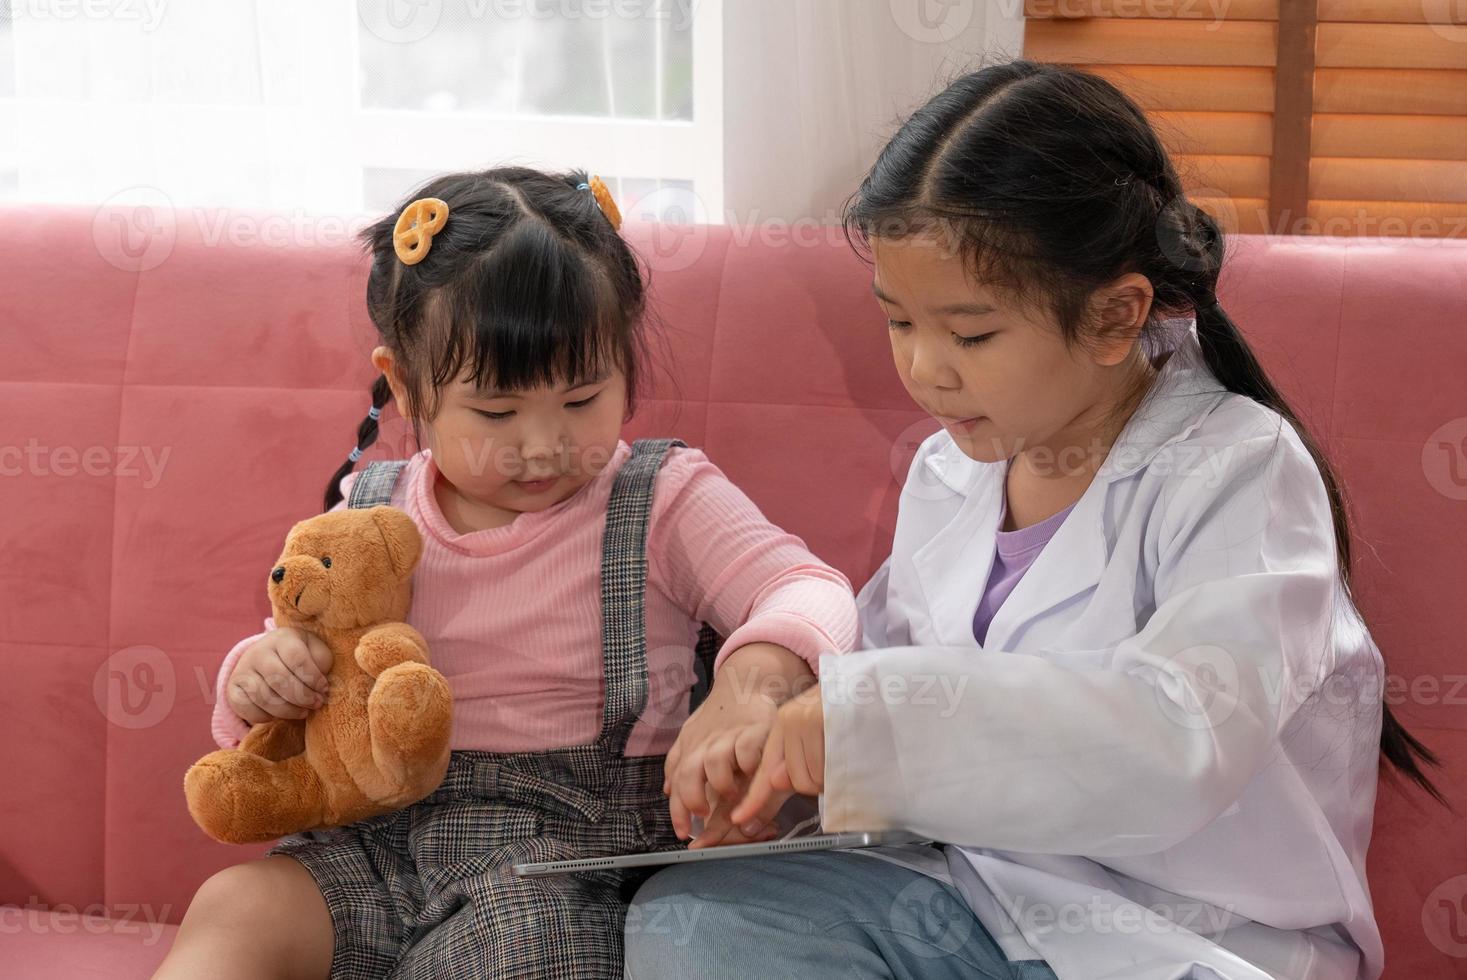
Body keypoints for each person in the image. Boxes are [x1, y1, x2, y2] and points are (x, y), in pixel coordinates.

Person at [627, 60, 1445, 980]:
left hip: (1191, 943)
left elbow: (1179, 742)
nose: (925, 369)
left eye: (970, 334)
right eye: (898, 322)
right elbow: (884, 668)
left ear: (1112, 316)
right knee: (698, 921)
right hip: (980, 900)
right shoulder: (951, 470)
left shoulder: (1238, 470)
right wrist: (782, 774)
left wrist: (865, 728)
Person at [152, 166, 859, 980]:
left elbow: (807, 588)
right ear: (407, 383)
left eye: (581, 398)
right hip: (372, 840)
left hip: (555, 864)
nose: (542, 444)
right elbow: (303, 648)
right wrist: (262, 674)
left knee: (536, 946)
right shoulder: (368, 507)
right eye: (496, 412)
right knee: (239, 907)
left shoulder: (660, 499)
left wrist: (753, 682)